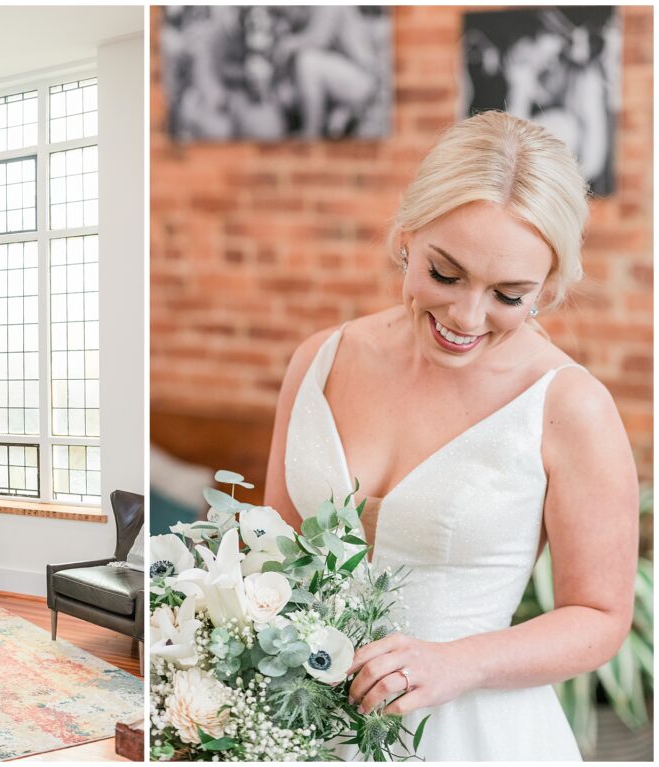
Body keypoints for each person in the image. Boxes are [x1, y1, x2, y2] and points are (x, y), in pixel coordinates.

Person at [264, 111, 637, 760]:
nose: (465, 316)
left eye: (509, 294)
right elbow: (270, 558)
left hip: (473, 734)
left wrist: (459, 663)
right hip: (298, 726)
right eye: (445, 273)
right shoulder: (319, 360)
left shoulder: (571, 408)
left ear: (547, 288)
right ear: (407, 236)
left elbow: (601, 618)